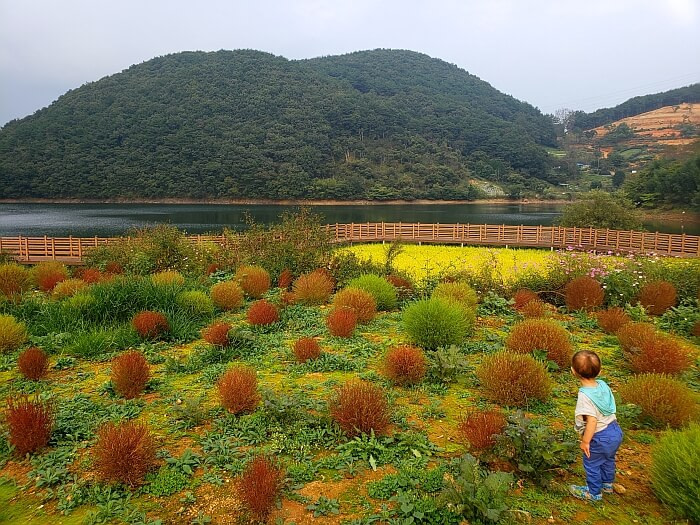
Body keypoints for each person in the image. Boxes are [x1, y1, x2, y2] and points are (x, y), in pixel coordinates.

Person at [569, 350, 623, 501]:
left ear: (573, 371)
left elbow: (591, 421)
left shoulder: (585, 396)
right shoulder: (603, 385)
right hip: (615, 431)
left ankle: (593, 493)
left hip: (600, 436)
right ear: (600, 371)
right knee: (608, 459)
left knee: (592, 463)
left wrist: (585, 441)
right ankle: (607, 484)